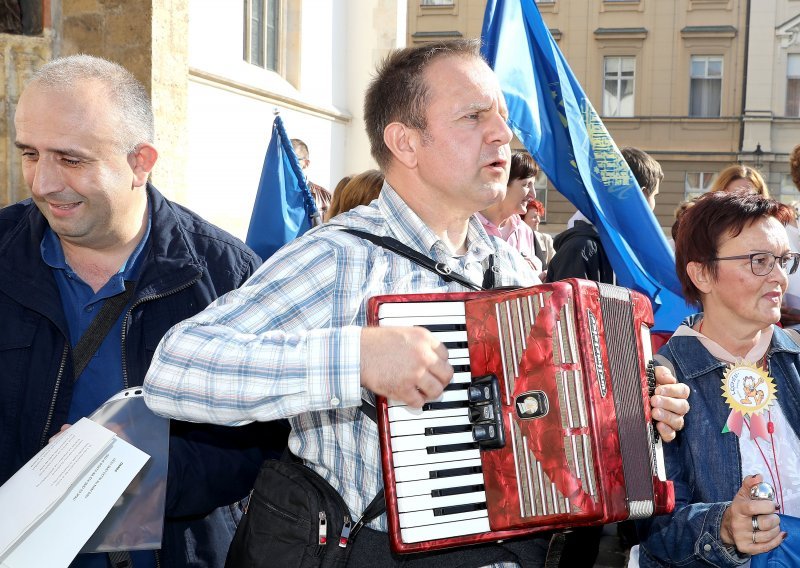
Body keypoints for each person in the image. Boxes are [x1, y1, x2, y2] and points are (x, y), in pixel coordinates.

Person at [144, 40, 688, 567]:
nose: (503, 133)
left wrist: (633, 412)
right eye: (474, 117)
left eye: (500, 115)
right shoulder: (340, 257)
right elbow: (176, 369)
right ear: (406, 143)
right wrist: (356, 359)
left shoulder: (513, 269)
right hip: (365, 549)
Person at [1, 54, 285, 568]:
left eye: (70, 159)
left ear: (141, 162)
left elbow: (261, 441)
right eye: (29, 153)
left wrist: (145, 476)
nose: (41, 182)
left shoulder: (226, 276)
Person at [637, 191, 800, 566]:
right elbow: (653, 530)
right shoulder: (659, 383)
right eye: (760, 261)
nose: (779, 277)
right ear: (702, 273)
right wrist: (723, 527)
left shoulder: (795, 358)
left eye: (783, 261)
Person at [547, 146, 662, 284]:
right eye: (655, 195)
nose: (654, 205)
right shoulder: (581, 248)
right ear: (641, 196)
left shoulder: (622, 247)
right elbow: (570, 304)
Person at [476, 151, 541, 274]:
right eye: (526, 184)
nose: (533, 194)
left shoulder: (525, 231)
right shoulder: (468, 226)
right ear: (503, 183)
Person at [292, 137, 333, 220]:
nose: (287, 165)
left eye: (292, 160)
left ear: (306, 163)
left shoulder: (325, 197)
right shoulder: (275, 195)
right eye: (284, 161)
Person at [522, 199, 555, 271]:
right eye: (534, 217)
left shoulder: (546, 239)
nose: (538, 220)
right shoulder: (516, 238)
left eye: (539, 216)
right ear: (522, 219)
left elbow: (555, 266)